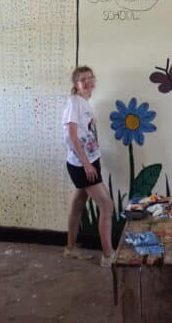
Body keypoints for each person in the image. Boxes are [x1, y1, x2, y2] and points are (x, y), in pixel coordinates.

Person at [61, 65, 115, 266]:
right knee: (107, 205)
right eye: (83, 79)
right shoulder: (75, 102)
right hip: (83, 164)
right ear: (76, 84)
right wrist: (86, 164)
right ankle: (108, 255)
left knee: (78, 204)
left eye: (91, 78)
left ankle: (70, 248)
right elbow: (71, 135)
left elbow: (84, 132)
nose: (88, 82)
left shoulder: (84, 102)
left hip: (87, 161)